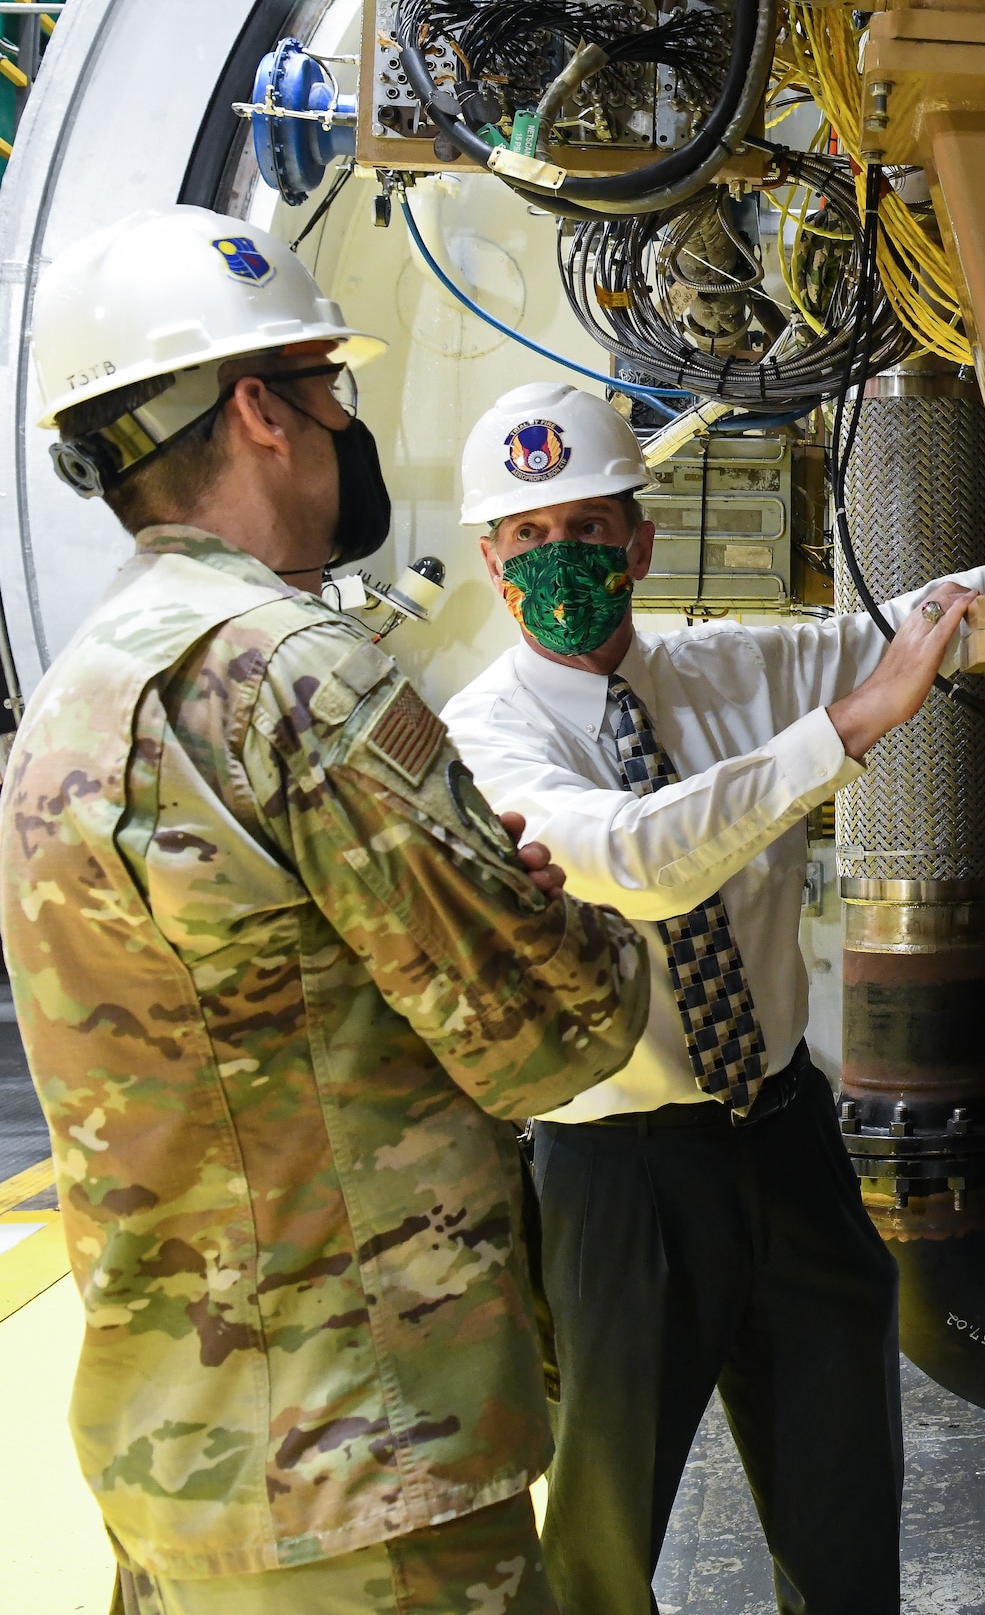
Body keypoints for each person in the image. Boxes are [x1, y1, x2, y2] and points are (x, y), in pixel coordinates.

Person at [1, 211, 653, 1615]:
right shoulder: (292, 673)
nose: (344, 426)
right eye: (329, 388)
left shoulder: (80, 690)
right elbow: (558, 1031)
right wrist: (553, 920)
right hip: (369, 1472)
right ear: (259, 410)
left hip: (186, 1467)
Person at [441, 380, 985, 1615]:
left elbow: (929, 617)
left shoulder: (735, 672)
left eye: (591, 528)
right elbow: (640, 861)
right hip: (616, 1171)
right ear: (493, 564)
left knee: (843, 1490)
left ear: (642, 541)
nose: (564, 562)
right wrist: (855, 725)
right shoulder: (486, 737)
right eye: (530, 538)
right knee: (605, 1524)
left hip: (784, 1131)